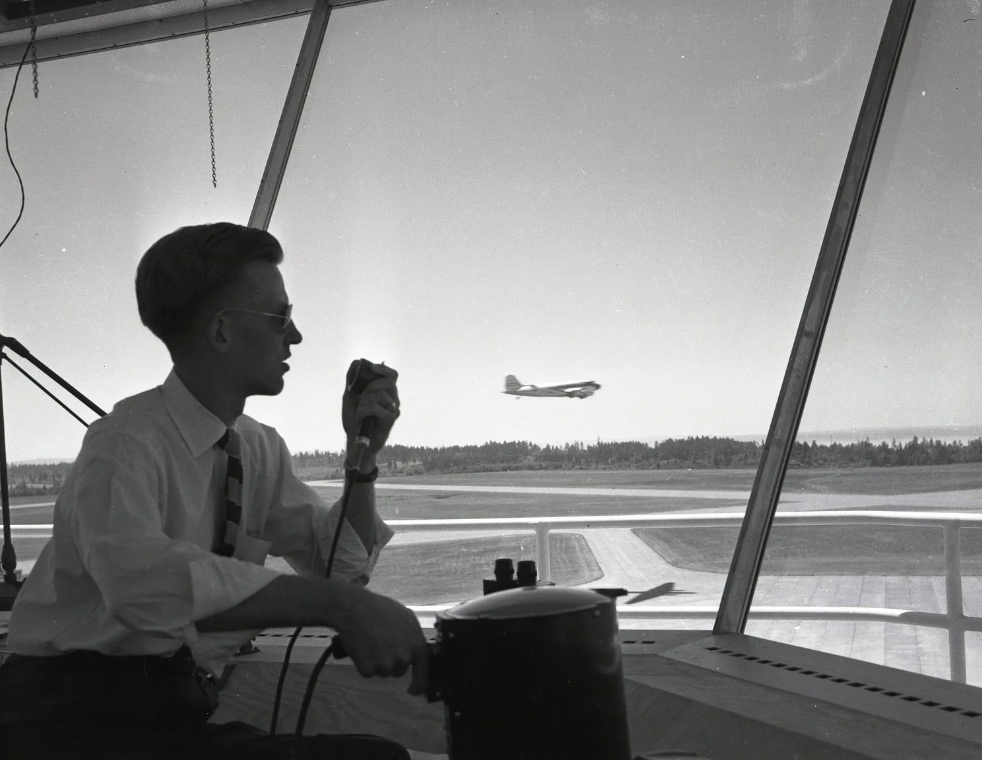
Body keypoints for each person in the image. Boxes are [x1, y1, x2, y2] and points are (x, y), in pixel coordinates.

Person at [0, 222, 428, 759]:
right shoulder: (123, 442)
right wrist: (336, 606)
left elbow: (339, 568)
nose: (294, 337)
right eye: (281, 317)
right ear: (222, 332)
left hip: (170, 716)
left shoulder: (258, 449)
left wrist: (361, 456)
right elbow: (141, 585)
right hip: (66, 722)